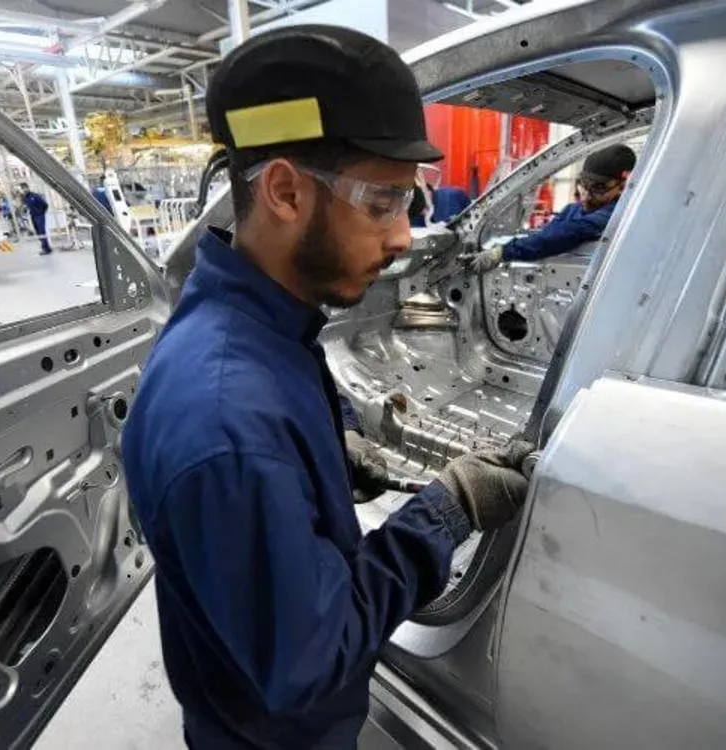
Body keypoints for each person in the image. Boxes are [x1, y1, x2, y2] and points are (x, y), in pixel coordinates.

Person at [120, 25, 534, 750]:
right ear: (285, 191)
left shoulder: (262, 328)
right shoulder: (226, 419)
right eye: (381, 202)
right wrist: (447, 512)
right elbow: (309, 659)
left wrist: (325, 448)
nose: (403, 238)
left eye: (409, 202)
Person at [463, 144, 636, 272]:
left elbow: (566, 233)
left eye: (599, 189)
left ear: (623, 186)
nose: (586, 195)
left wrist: (502, 253)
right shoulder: (572, 210)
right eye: (584, 184)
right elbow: (545, 236)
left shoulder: (616, 215)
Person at [20, 183, 52, 254]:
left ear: (28, 187)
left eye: (25, 188)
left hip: (39, 216)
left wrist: (41, 213)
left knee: (42, 231)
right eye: (22, 188)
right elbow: (26, 206)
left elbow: (45, 204)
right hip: (33, 216)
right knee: (38, 232)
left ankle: (45, 249)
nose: (24, 190)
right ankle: (46, 247)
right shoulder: (25, 198)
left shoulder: (35, 196)